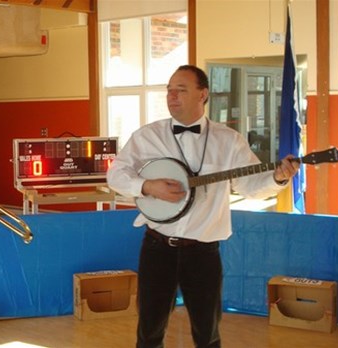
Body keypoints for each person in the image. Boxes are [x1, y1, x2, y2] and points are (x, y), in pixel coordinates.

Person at [106, 65, 300, 348]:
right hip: (157, 248)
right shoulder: (147, 136)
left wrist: (278, 178)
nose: (172, 96)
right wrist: (147, 187)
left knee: (208, 334)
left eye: (181, 90)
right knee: (148, 331)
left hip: (203, 253)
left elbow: (251, 186)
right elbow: (115, 175)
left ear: (203, 94)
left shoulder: (229, 141)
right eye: (169, 90)